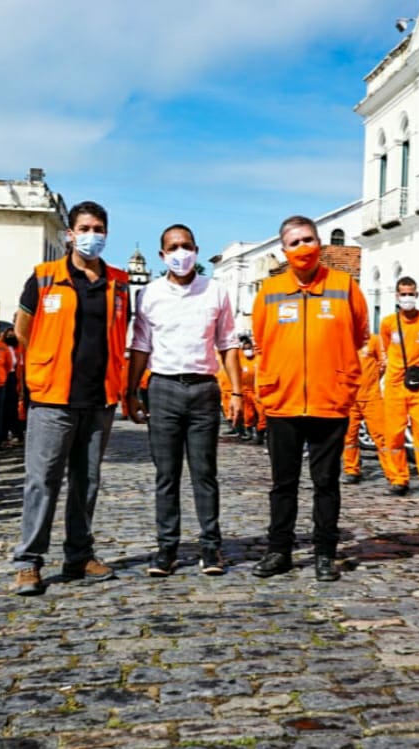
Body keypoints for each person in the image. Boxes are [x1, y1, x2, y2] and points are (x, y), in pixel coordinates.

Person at [12, 200, 130, 596]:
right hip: (52, 397)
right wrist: (45, 364)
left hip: (99, 398)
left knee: (87, 481)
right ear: (70, 233)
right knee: (42, 481)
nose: (91, 235)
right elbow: (22, 329)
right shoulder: (44, 278)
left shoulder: (118, 282)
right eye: (84, 228)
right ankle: (29, 562)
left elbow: (120, 333)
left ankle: (79, 554)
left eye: (98, 228)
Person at [251, 215, 368, 582]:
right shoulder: (269, 291)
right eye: (295, 242)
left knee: (326, 483)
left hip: (329, 400)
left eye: (309, 240)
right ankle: (279, 551)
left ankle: (324, 553)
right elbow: (260, 340)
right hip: (283, 402)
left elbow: (360, 335)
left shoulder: (344, 286)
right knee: (282, 484)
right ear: (283, 250)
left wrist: (344, 379)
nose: (303, 248)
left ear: (319, 244)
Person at [127, 224, 241, 577]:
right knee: (167, 475)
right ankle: (167, 549)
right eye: (173, 247)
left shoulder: (216, 291)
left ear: (196, 249)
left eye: (186, 246)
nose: (181, 253)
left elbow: (228, 343)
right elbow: (140, 347)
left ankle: (211, 547)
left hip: (204, 389)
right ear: (162, 255)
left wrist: (237, 391)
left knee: (205, 473)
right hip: (162, 389)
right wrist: (130, 392)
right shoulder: (148, 295)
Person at [381, 277, 419, 498]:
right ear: (397, 296)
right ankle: (398, 478)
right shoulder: (388, 323)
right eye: (403, 294)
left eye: (411, 293)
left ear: (417, 294)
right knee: (393, 435)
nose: (407, 297)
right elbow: (386, 348)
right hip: (395, 385)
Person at [342, 333, 396, 486]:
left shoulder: (373, 340)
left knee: (382, 437)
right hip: (350, 397)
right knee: (349, 437)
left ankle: (393, 474)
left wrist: (372, 380)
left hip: (371, 397)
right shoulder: (344, 340)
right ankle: (351, 470)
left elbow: (382, 364)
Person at [238, 337, 266, 445]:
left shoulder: (258, 358)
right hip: (245, 392)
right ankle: (249, 432)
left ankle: (260, 434)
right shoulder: (240, 359)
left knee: (262, 414)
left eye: (249, 348)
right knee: (248, 414)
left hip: (257, 391)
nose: (247, 350)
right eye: (245, 349)